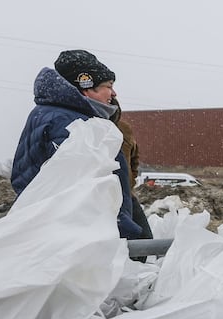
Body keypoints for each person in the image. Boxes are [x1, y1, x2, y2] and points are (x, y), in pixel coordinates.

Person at [11, 50, 141, 239]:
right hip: (80, 232)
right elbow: (77, 189)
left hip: (63, 227)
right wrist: (121, 226)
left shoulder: (59, 115)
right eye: (108, 85)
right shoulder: (71, 124)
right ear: (87, 86)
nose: (113, 93)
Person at [110, 98, 153, 243]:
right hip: (107, 195)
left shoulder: (124, 129)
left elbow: (134, 159)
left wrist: (130, 181)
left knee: (145, 238)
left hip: (128, 195)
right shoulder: (91, 127)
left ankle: (135, 266)